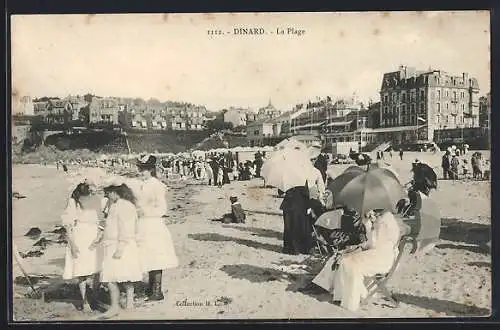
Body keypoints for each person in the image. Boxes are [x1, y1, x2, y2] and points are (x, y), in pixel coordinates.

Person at [322, 210, 401, 311]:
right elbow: (372, 244)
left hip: (382, 258)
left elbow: (374, 243)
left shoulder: (384, 220)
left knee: (351, 264)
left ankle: (352, 299)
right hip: (381, 254)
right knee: (346, 260)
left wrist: (369, 225)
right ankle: (342, 295)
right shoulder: (387, 217)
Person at [133, 155, 179, 302]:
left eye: (144, 169)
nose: (141, 172)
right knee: (148, 255)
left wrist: (144, 212)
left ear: (151, 170)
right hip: (143, 224)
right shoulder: (142, 184)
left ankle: (157, 291)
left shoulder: (156, 185)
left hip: (153, 224)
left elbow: (162, 209)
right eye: (140, 169)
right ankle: (151, 287)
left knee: (156, 257)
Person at [94, 183, 143, 319]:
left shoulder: (123, 206)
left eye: (108, 193)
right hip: (120, 244)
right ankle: (129, 304)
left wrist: (120, 248)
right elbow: (112, 226)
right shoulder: (119, 205)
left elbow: (125, 228)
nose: (107, 196)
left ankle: (115, 307)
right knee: (126, 275)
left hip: (120, 245)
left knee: (110, 278)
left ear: (115, 192)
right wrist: (100, 237)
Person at [61, 182, 105, 312]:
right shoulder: (73, 202)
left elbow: (102, 220)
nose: (91, 190)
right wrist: (72, 244)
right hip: (80, 236)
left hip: (94, 235)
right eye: (89, 188)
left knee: (97, 269)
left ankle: (95, 298)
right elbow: (68, 225)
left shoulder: (96, 199)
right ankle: (84, 300)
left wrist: (100, 236)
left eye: (92, 188)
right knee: (81, 271)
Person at [279, 186, 314, 255]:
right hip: (300, 204)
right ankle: (302, 248)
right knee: (300, 226)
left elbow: (280, 192)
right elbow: (307, 193)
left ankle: (292, 248)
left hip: (289, 205)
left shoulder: (286, 178)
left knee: (290, 227)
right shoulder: (302, 179)